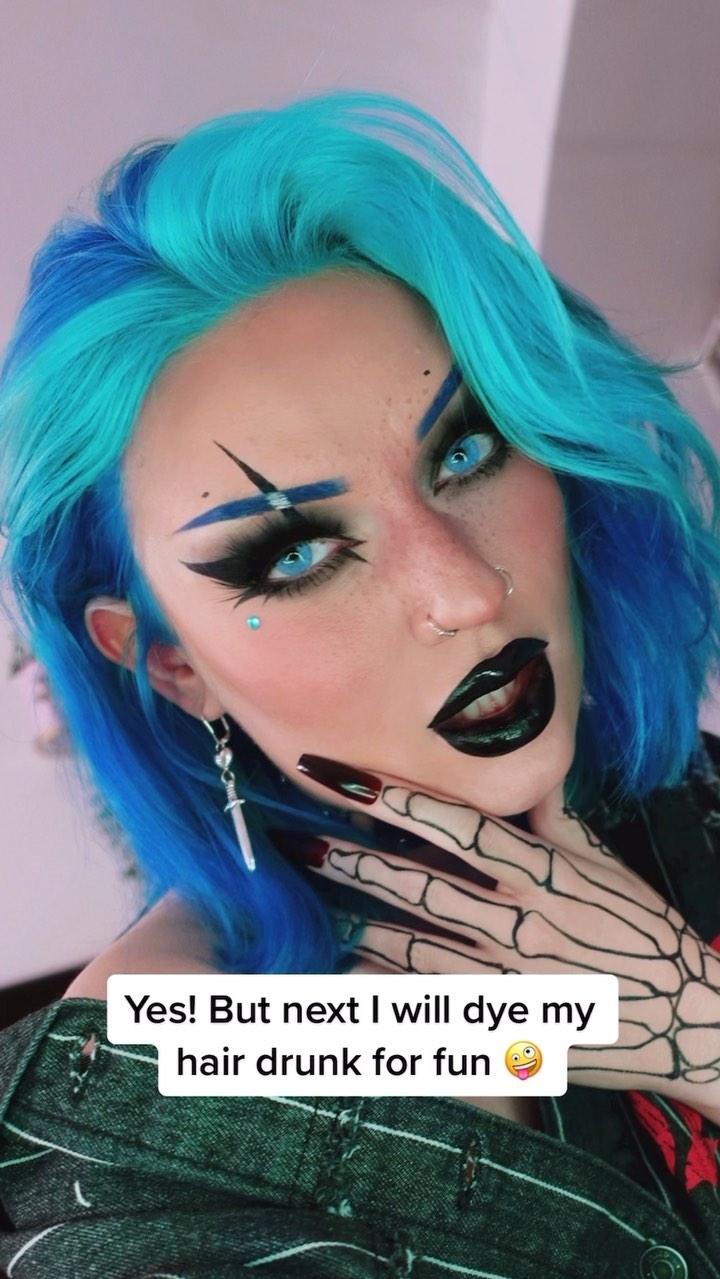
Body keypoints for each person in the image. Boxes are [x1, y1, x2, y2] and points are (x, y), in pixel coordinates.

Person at [1, 92, 719, 1279]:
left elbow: (513, 1038)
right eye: (294, 555)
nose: (466, 590)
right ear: (170, 662)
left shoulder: (656, 788)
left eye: (465, 451)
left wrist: (695, 1028)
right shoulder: (157, 1107)